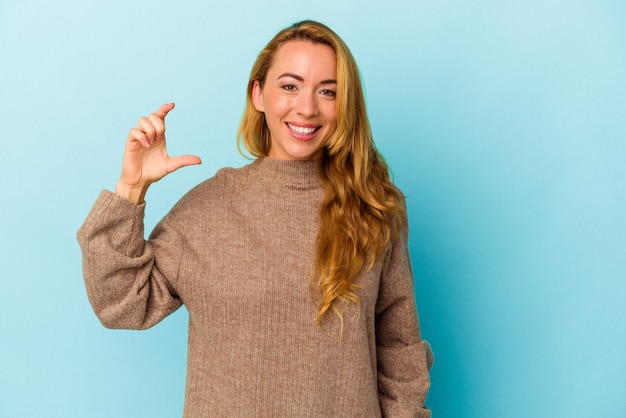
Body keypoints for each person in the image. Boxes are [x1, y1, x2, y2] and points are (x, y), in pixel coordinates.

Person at [77, 19, 433, 417]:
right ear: (258, 94)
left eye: (328, 91)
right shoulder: (208, 208)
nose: (307, 107)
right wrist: (132, 188)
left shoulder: (375, 206)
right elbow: (120, 305)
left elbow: (400, 351)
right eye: (290, 86)